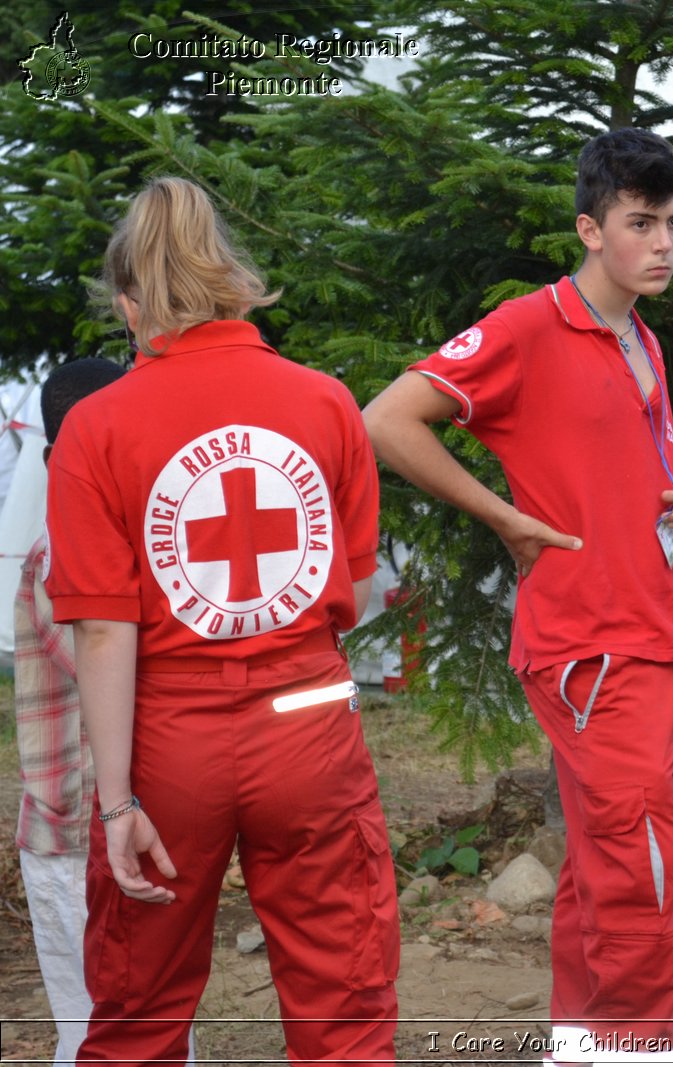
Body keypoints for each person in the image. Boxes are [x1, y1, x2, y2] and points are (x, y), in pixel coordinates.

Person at [363, 128, 673, 1066]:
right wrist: (502, 516)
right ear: (589, 227)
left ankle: (584, 1041)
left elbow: (623, 481)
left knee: (609, 859)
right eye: (640, 223)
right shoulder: (530, 325)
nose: (663, 243)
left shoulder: (638, 335)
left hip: (654, 627)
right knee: (642, 862)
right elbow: (387, 421)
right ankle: (643, 1048)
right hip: (592, 642)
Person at [44, 176, 398, 1063]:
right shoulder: (326, 404)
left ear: (131, 302)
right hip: (308, 719)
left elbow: (101, 628)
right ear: (233, 282)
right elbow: (349, 585)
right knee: (343, 1000)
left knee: (138, 1011)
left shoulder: (94, 428)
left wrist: (119, 799)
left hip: (167, 740)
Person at [14, 359, 122, 1067]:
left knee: (141, 1017)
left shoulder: (102, 545)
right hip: (72, 836)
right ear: (61, 458)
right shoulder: (61, 553)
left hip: (108, 831)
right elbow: (111, 670)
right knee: (99, 1032)